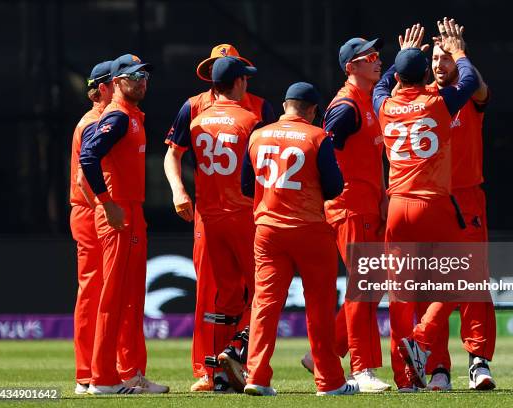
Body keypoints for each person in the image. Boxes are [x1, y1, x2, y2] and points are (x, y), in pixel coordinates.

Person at [372, 20, 479, 390]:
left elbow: (382, 85)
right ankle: (421, 337)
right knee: (461, 277)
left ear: (400, 77)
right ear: (424, 76)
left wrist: (400, 57)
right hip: (434, 204)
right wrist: (460, 49)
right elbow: (466, 81)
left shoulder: (384, 105)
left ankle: (405, 380)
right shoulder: (438, 102)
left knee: (400, 296)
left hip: (398, 206)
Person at [163, 44, 274, 392]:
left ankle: (232, 361)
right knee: (219, 293)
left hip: (219, 214)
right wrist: (178, 191)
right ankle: (211, 369)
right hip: (237, 214)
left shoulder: (250, 108)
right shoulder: (200, 106)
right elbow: (172, 155)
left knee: (229, 294)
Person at [241, 82, 358, 397]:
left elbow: (246, 187)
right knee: (318, 308)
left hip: (267, 230)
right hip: (309, 229)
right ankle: (330, 383)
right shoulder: (317, 137)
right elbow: (334, 188)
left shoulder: (257, 135)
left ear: (285, 105)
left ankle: (257, 377)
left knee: (264, 306)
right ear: (313, 110)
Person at [299, 37, 390, 393]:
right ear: (351, 67)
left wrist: (381, 194)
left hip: (368, 204)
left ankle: (327, 352)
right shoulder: (346, 106)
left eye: (378, 56)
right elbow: (322, 151)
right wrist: (328, 196)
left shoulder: (366, 99)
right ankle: (361, 369)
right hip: (350, 207)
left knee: (371, 283)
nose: (377, 61)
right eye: (370, 58)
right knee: (365, 284)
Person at [80, 53, 168, 395]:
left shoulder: (131, 116)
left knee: (129, 298)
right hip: (119, 215)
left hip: (131, 212)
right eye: (134, 76)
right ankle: (102, 378)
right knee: (114, 297)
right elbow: (88, 156)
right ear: (117, 82)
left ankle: (127, 374)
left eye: (145, 75)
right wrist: (107, 204)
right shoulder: (117, 117)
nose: (142, 81)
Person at [421, 38, 496, 392]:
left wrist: (463, 53)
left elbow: (480, 90)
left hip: (468, 201)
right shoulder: (420, 99)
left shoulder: (468, 95)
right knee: (432, 285)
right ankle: (437, 368)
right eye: (435, 58)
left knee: (473, 281)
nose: (439, 64)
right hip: (431, 201)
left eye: (446, 59)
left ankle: (478, 362)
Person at [69, 60, 113, 395]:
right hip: (90, 211)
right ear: (100, 89)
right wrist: (105, 209)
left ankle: (95, 371)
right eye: (114, 83)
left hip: (91, 210)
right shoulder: (94, 121)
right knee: (95, 293)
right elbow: (85, 178)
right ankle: (89, 373)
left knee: (98, 293)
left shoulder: (98, 119)